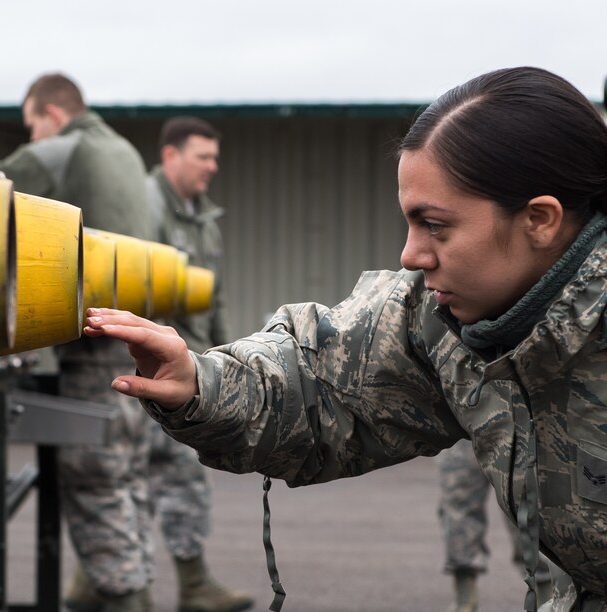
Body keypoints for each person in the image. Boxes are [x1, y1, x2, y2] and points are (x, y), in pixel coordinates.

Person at [83, 66, 607, 612]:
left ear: (540, 220)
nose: (411, 255)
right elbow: (325, 380)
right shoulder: (443, 320)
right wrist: (200, 380)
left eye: (436, 226)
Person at [0, 73, 157, 611]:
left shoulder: (62, 148)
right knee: (126, 475)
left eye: (31, 125)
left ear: (52, 116)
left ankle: (127, 600)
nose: (32, 137)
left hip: (95, 350)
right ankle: (120, 588)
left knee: (92, 478)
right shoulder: (126, 153)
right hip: (137, 338)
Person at [146, 116, 253, 611]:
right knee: (144, 477)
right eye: (202, 156)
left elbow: (216, 295)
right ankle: (173, 586)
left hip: (192, 364)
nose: (212, 166)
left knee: (158, 477)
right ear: (171, 155)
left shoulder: (203, 218)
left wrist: (223, 355)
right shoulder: (144, 208)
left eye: (215, 156)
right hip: (151, 367)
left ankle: (181, 583)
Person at [437, 440, 554, 611]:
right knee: (458, 502)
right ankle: (465, 598)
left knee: (525, 502)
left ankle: (546, 594)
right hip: (460, 426)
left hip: (512, 422)